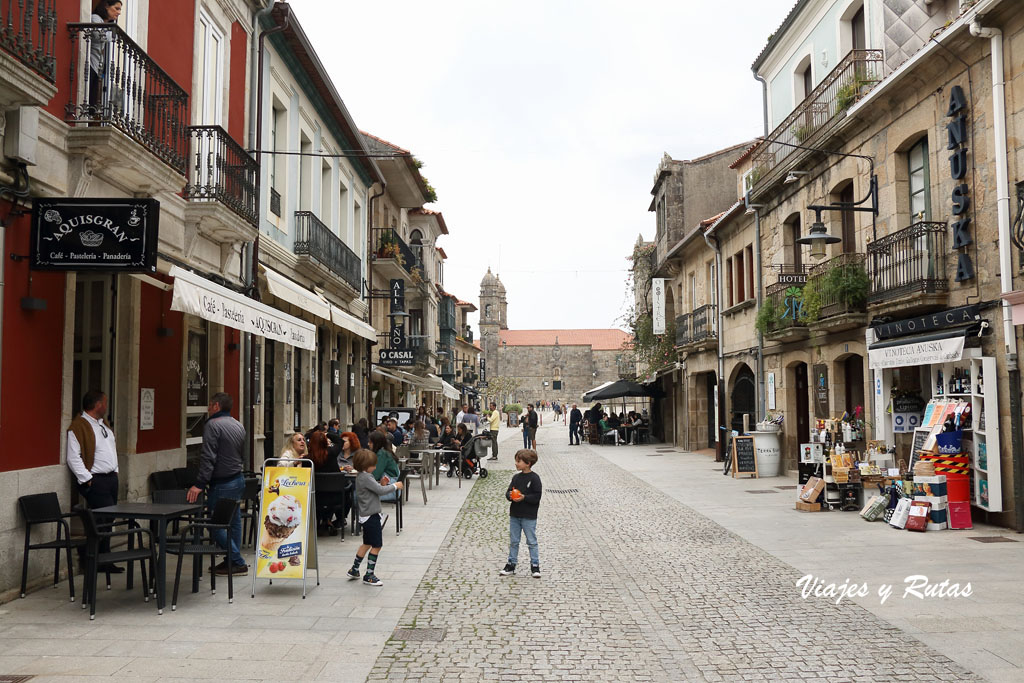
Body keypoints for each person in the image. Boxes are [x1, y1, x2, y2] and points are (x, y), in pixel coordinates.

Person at [187, 392, 247, 576]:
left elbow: (208, 457)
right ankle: (231, 561)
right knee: (234, 522)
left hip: (222, 482)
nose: (208, 408)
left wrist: (199, 483)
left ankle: (237, 560)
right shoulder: (238, 424)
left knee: (214, 525)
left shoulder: (212, 425)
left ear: (216, 406)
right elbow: (242, 453)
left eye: (210, 404)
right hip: (238, 478)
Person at [67, 390, 122, 572]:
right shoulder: (78, 426)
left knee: (108, 519)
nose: (106, 406)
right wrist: (88, 480)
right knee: (101, 520)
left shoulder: (103, 425)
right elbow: (73, 457)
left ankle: (103, 558)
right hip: (96, 480)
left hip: (110, 479)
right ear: (97, 405)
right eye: (105, 403)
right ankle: (93, 557)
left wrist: (115, 471)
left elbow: (110, 450)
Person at [347, 449, 403, 586]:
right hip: (371, 516)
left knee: (366, 543)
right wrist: (395, 486)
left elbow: (375, 489)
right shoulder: (366, 477)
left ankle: (354, 569)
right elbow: (380, 491)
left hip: (365, 515)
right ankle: (369, 575)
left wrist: (382, 483)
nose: (376, 467)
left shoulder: (362, 476)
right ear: (366, 465)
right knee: (377, 545)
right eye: (373, 465)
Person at [499, 449, 542, 578]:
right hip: (515, 515)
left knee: (531, 541)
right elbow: (508, 492)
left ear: (528, 463)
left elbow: (537, 497)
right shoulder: (516, 478)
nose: (516, 463)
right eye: (516, 461)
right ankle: (511, 564)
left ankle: (535, 565)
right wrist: (510, 496)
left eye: (519, 461)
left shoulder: (535, 478)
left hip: (529, 515)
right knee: (514, 541)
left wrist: (524, 497)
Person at [369, 431, 400, 503]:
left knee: (356, 495)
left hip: (389, 491)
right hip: (392, 489)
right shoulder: (385, 452)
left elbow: (375, 475)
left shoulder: (382, 454)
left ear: (376, 443)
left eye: (370, 442)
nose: (368, 444)